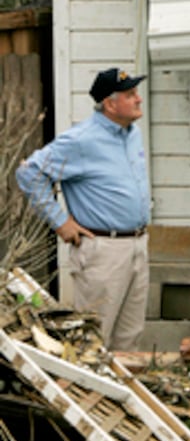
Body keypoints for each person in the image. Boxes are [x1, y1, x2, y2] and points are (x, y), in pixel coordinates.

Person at [16, 67, 151, 351]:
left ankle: (125, 395)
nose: (138, 99)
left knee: (130, 337)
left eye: (136, 93)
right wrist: (60, 222)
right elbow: (28, 173)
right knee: (93, 338)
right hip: (102, 249)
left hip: (137, 244)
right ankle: (89, 392)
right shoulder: (81, 139)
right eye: (130, 95)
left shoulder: (133, 134)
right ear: (110, 104)